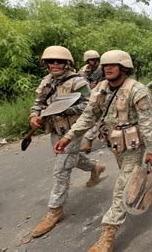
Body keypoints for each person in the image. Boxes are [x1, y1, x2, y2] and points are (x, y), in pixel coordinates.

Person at [54, 50, 152, 252]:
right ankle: (135, 188)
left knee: (121, 187)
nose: (108, 68)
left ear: (124, 67)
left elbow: (147, 122)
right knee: (126, 178)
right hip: (116, 145)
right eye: (105, 65)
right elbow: (88, 116)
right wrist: (68, 137)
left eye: (113, 65)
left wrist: (151, 149)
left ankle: (108, 235)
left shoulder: (138, 90)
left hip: (135, 146)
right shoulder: (100, 89)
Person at [28, 46, 105, 239]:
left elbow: (89, 105)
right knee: (70, 158)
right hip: (55, 129)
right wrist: (34, 116)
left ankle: (55, 210)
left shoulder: (78, 82)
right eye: (50, 61)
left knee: (61, 169)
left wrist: (62, 110)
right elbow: (38, 102)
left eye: (59, 61)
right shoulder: (46, 81)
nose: (55, 64)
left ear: (67, 63)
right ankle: (95, 167)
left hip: (73, 130)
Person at [79, 50, 106, 153]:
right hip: (88, 97)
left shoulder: (102, 69)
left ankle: (88, 143)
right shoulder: (83, 71)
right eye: (92, 60)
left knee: (97, 118)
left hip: (102, 96)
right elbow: (79, 83)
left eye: (96, 59)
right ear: (87, 61)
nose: (95, 62)